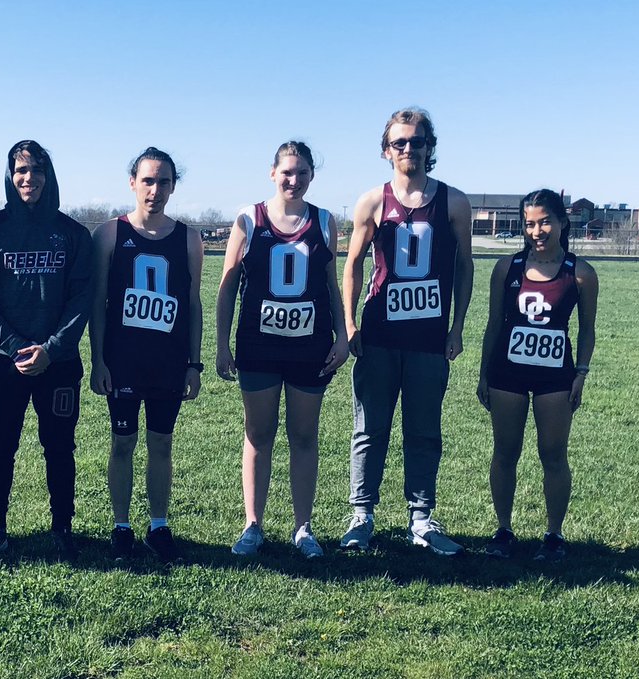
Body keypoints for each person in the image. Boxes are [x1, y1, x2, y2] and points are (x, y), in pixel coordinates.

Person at [340, 108, 474, 555]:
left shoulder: (454, 202)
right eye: (399, 142)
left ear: (429, 146)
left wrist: (457, 327)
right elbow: (352, 265)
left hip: (429, 339)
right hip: (379, 335)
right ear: (386, 150)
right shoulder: (372, 201)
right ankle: (362, 515)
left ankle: (421, 519)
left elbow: (464, 266)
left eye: (416, 141)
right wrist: (350, 322)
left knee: (424, 431)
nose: (408, 149)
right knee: (369, 430)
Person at [215, 141, 349, 560]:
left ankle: (303, 527)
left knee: (304, 435)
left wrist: (342, 335)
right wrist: (221, 344)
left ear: (312, 176)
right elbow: (227, 286)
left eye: (302, 172)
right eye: (287, 172)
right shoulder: (248, 219)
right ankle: (252, 525)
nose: (294, 180)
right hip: (258, 346)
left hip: (310, 347)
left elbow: (330, 283)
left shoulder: (324, 221)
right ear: (272, 173)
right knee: (258, 434)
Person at [0, 140, 93, 559]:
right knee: (1, 446)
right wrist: (19, 348)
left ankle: (63, 528)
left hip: (59, 364)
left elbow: (82, 299)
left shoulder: (72, 234)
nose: (29, 178)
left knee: (60, 447)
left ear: (48, 175)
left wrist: (51, 350)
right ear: (10, 175)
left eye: (37, 170)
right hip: (4, 363)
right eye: (21, 170)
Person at [90, 147, 202, 562]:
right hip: (122, 361)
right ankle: (121, 527)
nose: (155, 190)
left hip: (168, 362)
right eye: (148, 180)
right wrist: (98, 360)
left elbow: (192, 304)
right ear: (133, 183)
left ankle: (158, 526)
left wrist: (194, 364)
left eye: (164, 182)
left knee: (161, 444)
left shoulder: (188, 238)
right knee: (122, 443)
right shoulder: (109, 234)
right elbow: (98, 302)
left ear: (173, 186)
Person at [477, 189, 598, 561]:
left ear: (561, 222)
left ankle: (554, 535)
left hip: (555, 378)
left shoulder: (580, 273)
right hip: (507, 374)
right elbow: (494, 324)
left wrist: (581, 373)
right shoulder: (507, 268)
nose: (537, 231)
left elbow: (587, 330)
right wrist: (484, 374)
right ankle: (503, 530)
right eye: (529, 224)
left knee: (553, 454)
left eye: (544, 222)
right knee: (505, 452)